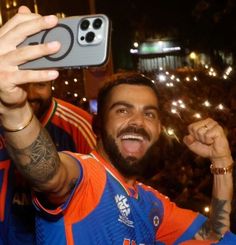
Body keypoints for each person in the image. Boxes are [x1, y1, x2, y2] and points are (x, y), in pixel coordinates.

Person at [0, 5, 235, 245]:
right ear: (98, 124)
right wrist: (13, 108)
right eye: (123, 110)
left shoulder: (153, 205)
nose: (138, 122)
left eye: (150, 114)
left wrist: (221, 161)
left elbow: (214, 234)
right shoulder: (86, 177)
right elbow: (49, 175)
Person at [0, 10, 96, 245]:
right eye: (23, 83)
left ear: (53, 82)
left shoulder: (78, 123)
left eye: (40, 84)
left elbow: (98, 186)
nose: (30, 94)